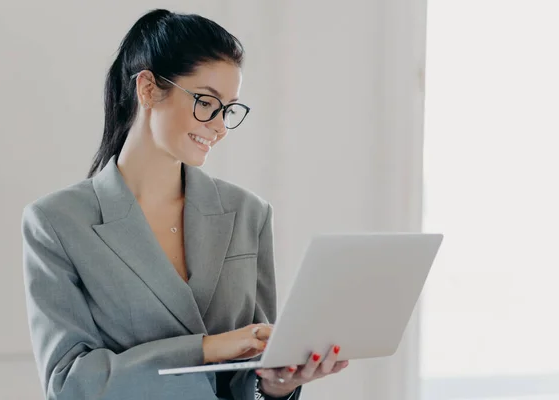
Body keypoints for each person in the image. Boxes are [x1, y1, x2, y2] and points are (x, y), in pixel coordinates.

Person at [21, 9, 348, 400]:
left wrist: (277, 385)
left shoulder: (249, 214)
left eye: (228, 109)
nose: (220, 126)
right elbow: (70, 384)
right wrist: (206, 348)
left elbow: (253, 369)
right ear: (147, 89)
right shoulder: (56, 223)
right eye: (207, 102)